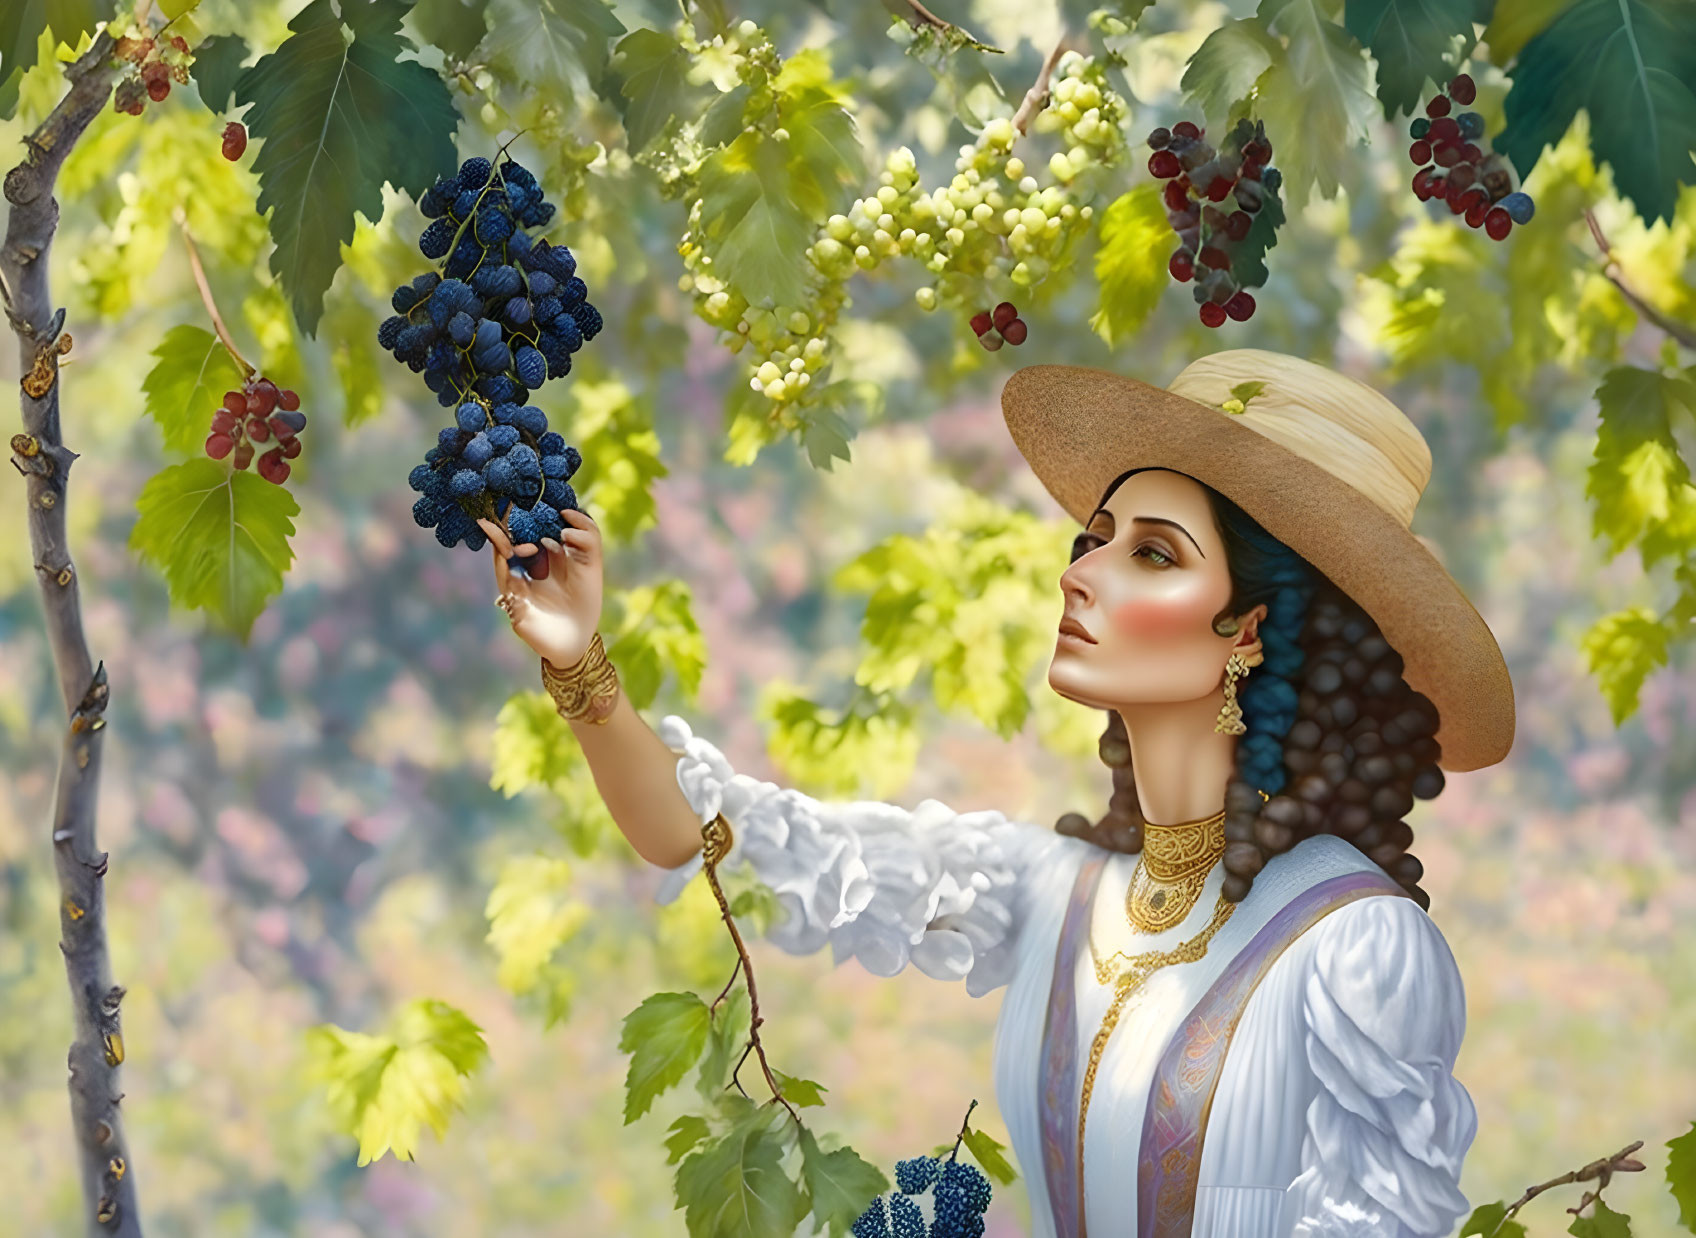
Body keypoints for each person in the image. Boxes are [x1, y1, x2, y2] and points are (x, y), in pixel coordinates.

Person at [478, 348, 1516, 1238]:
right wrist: (581, 668)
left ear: (1244, 630)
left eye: (1151, 552)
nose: (1080, 572)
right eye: (1093, 538)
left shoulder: (1352, 948)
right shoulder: (1049, 889)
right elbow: (716, 840)